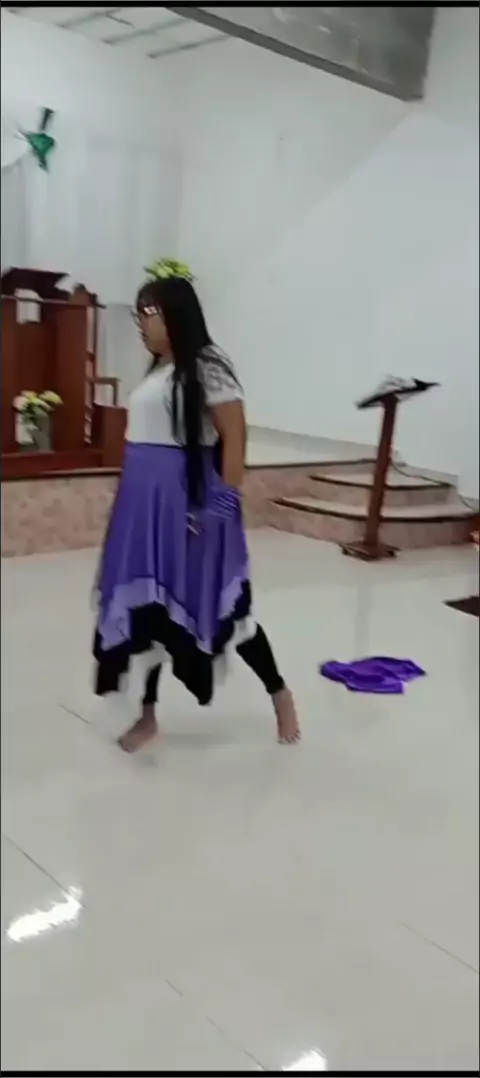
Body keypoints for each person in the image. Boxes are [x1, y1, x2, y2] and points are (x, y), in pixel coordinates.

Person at [93, 275, 300, 752]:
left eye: (148, 313)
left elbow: (235, 439)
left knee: (222, 609)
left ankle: (279, 693)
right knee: (149, 613)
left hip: (190, 508)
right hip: (143, 509)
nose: (141, 323)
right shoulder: (159, 369)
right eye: (139, 314)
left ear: (177, 314)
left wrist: (219, 510)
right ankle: (147, 716)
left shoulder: (208, 365)